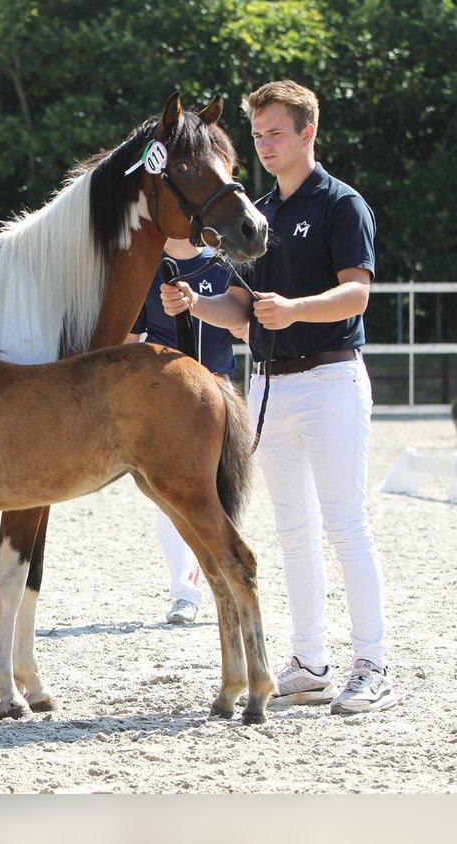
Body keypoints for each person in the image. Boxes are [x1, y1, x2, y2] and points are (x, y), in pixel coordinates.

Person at [161, 79, 397, 715]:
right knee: (292, 528)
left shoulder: (342, 205)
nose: (264, 145)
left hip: (330, 379)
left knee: (346, 523)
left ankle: (372, 662)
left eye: (274, 133)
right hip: (269, 384)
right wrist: (195, 304)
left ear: (307, 133)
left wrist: (294, 311)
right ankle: (310, 660)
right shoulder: (257, 211)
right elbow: (242, 311)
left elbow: (356, 293)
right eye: (258, 134)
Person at [127, 239, 246, 626]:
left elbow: (243, 324)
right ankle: (185, 591)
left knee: (222, 491)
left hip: (218, 390)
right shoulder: (150, 269)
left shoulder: (225, 263)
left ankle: (221, 576)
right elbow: (129, 339)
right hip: (167, 400)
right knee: (172, 495)